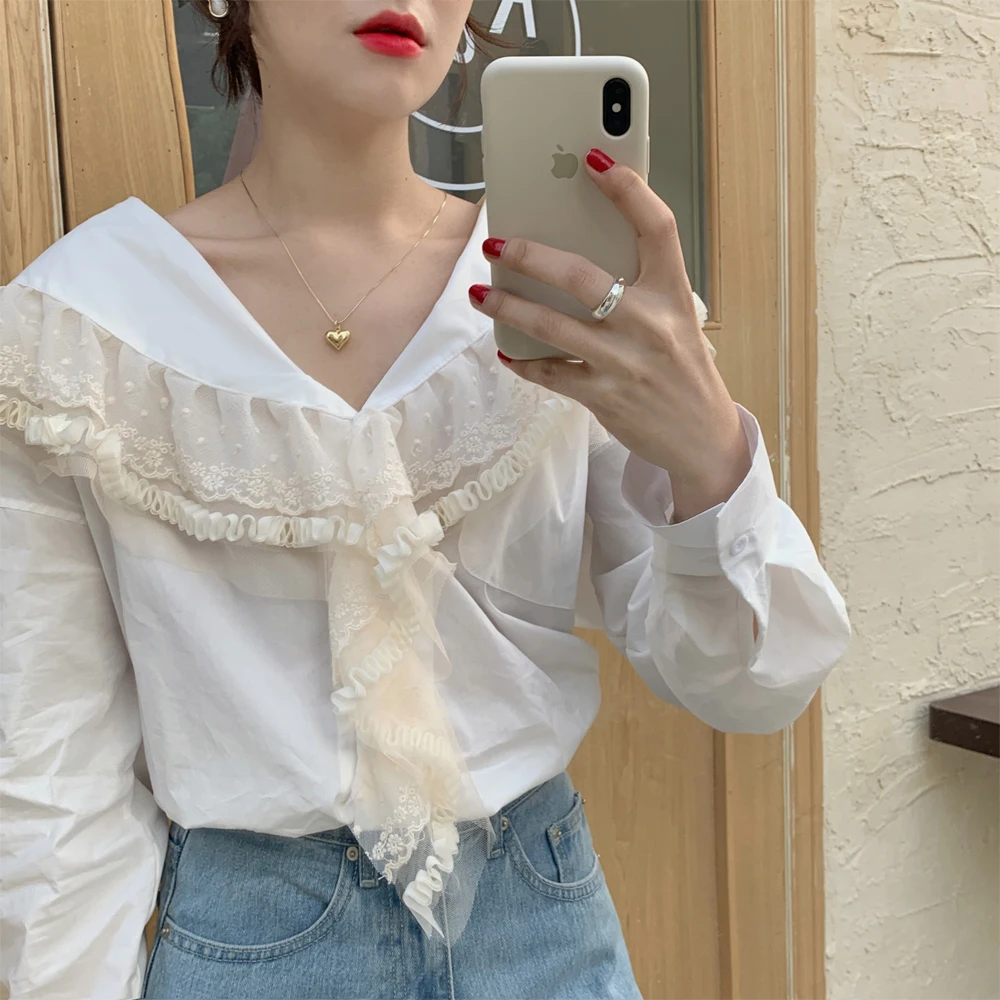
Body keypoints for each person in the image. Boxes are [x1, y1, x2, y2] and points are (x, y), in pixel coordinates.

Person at [0, 2, 850, 998]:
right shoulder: (85, 326)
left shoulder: (556, 295)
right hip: (247, 948)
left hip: (546, 932)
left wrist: (708, 452)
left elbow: (750, 682)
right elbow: (51, 779)